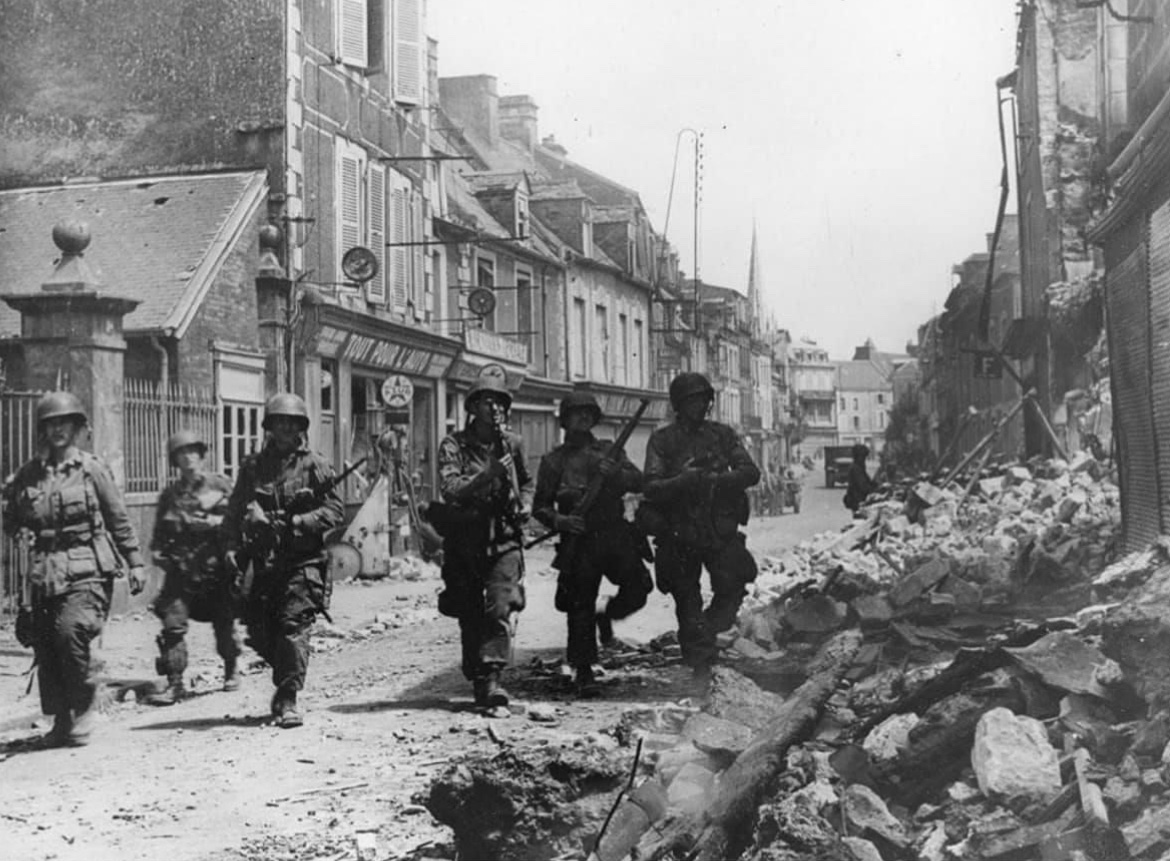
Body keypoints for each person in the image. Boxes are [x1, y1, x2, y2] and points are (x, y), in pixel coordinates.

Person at [2, 391, 146, 746]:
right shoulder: (30, 475)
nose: (57, 430)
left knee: (70, 633)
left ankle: (83, 706)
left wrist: (135, 563)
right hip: (46, 572)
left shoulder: (91, 469)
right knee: (46, 645)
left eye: (64, 423)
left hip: (88, 569)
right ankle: (62, 721)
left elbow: (118, 519)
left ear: (78, 427)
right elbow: (11, 520)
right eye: (50, 424)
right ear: (42, 430)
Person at [223, 393, 343, 729]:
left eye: (292, 423)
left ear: (301, 428)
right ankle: (285, 675)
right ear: (270, 428)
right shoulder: (252, 468)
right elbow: (235, 510)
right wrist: (233, 546)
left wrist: (298, 522)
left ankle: (288, 695)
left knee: (293, 625)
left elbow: (334, 511)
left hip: (303, 560)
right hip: (264, 562)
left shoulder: (315, 465)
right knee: (260, 631)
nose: (286, 429)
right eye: (279, 422)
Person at [640, 372, 760, 684]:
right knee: (686, 596)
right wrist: (683, 480)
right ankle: (700, 663)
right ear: (679, 404)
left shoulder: (722, 435)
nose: (699, 406)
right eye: (691, 400)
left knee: (734, 584)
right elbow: (651, 486)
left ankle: (705, 637)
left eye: (703, 400)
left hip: (718, 527)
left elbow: (750, 471)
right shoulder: (663, 440)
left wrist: (717, 480)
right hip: (678, 530)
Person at [532, 392, 651, 696]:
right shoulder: (553, 461)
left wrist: (617, 474)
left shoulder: (611, 451)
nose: (583, 418)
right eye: (576, 413)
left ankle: (606, 615)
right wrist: (562, 522)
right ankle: (583, 670)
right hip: (580, 539)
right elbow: (541, 507)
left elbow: (639, 481)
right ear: (565, 419)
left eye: (588, 413)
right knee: (579, 604)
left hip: (614, 534)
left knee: (639, 588)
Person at [434, 366, 532, 710]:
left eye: (500, 402)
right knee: (470, 611)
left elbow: (527, 481)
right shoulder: (454, 445)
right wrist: (485, 476)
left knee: (500, 604)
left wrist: (527, 505)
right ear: (472, 407)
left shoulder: (512, 443)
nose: (494, 408)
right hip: (466, 539)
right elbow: (449, 489)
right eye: (486, 401)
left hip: (503, 538)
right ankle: (477, 674)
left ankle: (492, 678)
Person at [146, 430, 240, 705]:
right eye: (181, 454)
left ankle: (231, 669)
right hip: (181, 570)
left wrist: (214, 525)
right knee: (172, 624)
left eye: (192, 452)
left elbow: (240, 520)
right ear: (175, 460)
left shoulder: (221, 485)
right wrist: (157, 554)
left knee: (224, 623)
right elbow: (159, 535)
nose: (188, 458)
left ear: (202, 455)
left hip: (215, 570)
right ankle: (175, 683)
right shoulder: (170, 495)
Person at [844, 442, 877, 517]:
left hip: (858, 500)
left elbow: (867, 481)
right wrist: (874, 489)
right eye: (863, 457)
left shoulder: (859, 467)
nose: (864, 460)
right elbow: (863, 486)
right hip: (857, 501)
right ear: (858, 456)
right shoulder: (856, 469)